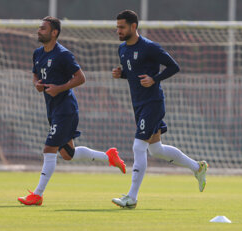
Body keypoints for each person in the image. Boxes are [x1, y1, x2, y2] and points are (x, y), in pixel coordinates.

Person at [18, 16, 126, 206]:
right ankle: (109, 156)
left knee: (49, 149)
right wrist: (36, 84)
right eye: (39, 28)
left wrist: (59, 88)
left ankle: (37, 195)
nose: (39, 31)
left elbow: (81, 77)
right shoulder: (37, 53)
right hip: (52, 109)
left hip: (66, 109)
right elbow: (35, 73)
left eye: (43, 28)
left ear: (54, 33)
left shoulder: (63, 55)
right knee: (68, 154)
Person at [111, 10, 208, 209]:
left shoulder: (149, 47)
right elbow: (133, 73)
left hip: (153, 103)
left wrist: (154, 79)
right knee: (156, 149)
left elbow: (174, 67)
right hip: (138, 104)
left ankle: (132, 198)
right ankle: (197, 168)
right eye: (117, 27)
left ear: (133, 27)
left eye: (122, 27)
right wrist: (121, 74)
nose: (118, 30)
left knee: (139, 146)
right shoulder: (122, 49)